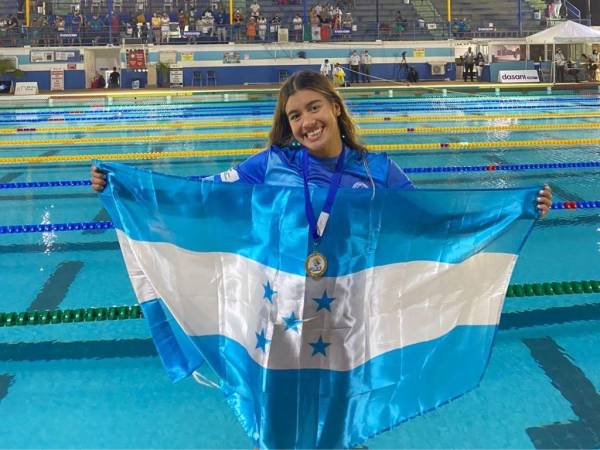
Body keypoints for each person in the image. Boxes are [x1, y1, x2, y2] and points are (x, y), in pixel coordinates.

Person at [91, 71, 552, 212]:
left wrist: (516, 206)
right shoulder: (268, 164)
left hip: (349, 302)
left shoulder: (380, 169)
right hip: (285, 298)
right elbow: (202, 191)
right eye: (295, 116)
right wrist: (123, 185)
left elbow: (429, 217)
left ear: (334, 107)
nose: (306, 122)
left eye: (314, 108)